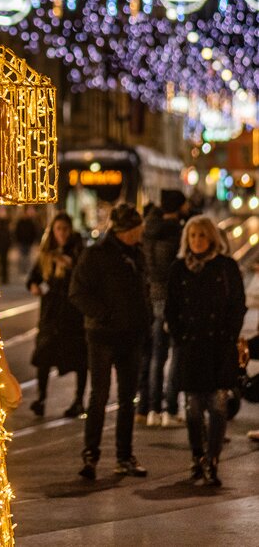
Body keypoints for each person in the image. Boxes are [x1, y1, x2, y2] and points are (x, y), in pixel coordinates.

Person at [69, 203, 151, 480]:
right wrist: (104, 314)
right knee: (99, 396)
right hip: (102, 335)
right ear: (126, 231)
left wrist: (145, 320)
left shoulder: (138, 254)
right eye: (137, 228)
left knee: (128, 398)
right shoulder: (96, 255)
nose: (141, 232)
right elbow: (77, 293)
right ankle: (91, 455)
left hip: (132, 335)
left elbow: (144, 290)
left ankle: (124, 455)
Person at [165, 215, 246, 487]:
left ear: (212, 238)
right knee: (193, 407)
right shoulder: (178, 269)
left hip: (218, 347)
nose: (197, 241)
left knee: (218, 404)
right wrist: (180, 336)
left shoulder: (226, 267)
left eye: (202, 235)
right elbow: (171, 308)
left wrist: (230, 334)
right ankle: (197, 455)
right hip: (191, 346)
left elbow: (238, 304)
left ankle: (212, 459)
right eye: (193, 236)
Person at [27, 212, 86, 418]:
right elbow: (33, 278)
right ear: (53, 231)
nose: (62, 233)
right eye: (58, 229)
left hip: (72, 315)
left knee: (79, 359)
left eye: (65, 229)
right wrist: (34, 286)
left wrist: (71, 267)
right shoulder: (46, 254)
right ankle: (41, 398)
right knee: (44, 356)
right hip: (50, 315)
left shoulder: (79, 251)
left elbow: (86, 278)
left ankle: (79, 400)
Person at [142, 189, 189, 428]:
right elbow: (179, 267)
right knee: (177, 353)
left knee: (155, 356)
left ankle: (152, 409)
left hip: (153, 296)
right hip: (171, 299)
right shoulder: (174, 232)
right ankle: (170, 408)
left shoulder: (149, 229)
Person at [14, 207, 40, 277]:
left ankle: (25, 269)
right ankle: (22, 269)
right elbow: (16, 231)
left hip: (28, 241)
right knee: (22, 256)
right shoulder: (20, 222)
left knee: (27, 256)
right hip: (21, 241)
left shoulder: (30, 222)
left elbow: (34, 231)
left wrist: (33, 240)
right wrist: (17, 240)